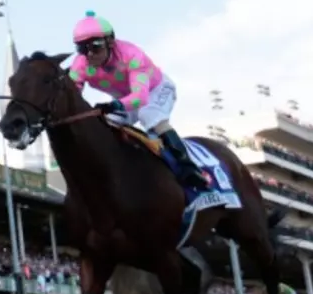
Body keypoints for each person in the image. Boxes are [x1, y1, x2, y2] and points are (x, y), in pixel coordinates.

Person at [68, 10, 208, 190]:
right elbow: (72, 95)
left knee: (149, 114)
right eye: (82, 48)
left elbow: (140, 98)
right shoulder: (80, 65)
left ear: (110, 42)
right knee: (105, 125)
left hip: (154, 90)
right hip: (125, 98)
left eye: (95, 46)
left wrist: (115, 105)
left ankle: (189, 167)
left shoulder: (131, 55)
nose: (89, 55)